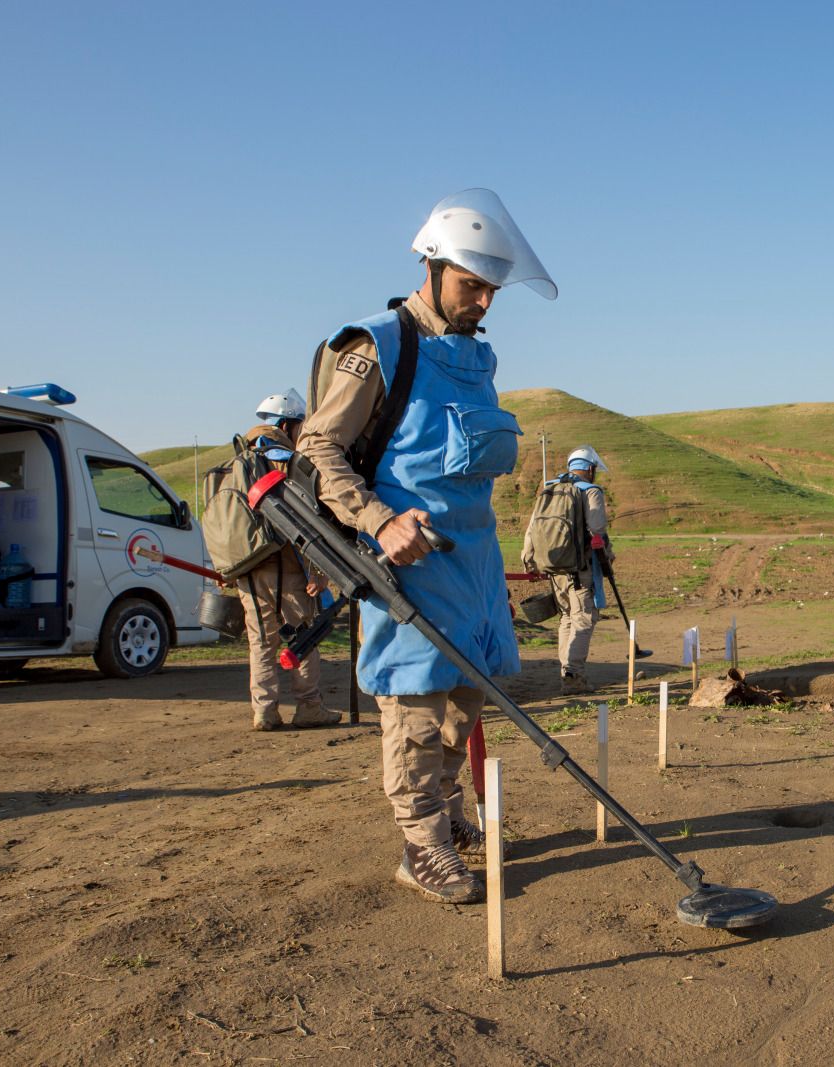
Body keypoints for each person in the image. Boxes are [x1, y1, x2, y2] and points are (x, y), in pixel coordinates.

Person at [295, 189, 555, 905]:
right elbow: (320, 445)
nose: (484, 303)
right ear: (432, 266)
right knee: (413, 705)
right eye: (473, 286)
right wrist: (378, 520)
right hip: (403, 561)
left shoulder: (477, 356)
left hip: (470, 558)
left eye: (493, 290)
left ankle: (448, 811)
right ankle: (421, 842)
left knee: (467, 697)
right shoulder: (375, 345)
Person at [238, 389, 342, 732]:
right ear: (286, 424)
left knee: (261, 641)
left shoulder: (236, 462)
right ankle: (309, 706)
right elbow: (309, 518)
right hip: (288, 565)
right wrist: (320, 569)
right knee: (303, 635)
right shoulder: (283, 459)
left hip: (247, 567)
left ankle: (265, 711)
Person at [523, 446, 614, 694]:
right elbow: (597, 530)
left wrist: (529, 560)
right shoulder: (590, 491)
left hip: (554, 568)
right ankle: (573, 676)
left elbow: (532, 528)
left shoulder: (550, 488)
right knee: (583, 618)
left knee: (566, 618)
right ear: (590, 468)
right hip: (580, 568)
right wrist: (607, 556)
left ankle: (567, 673)